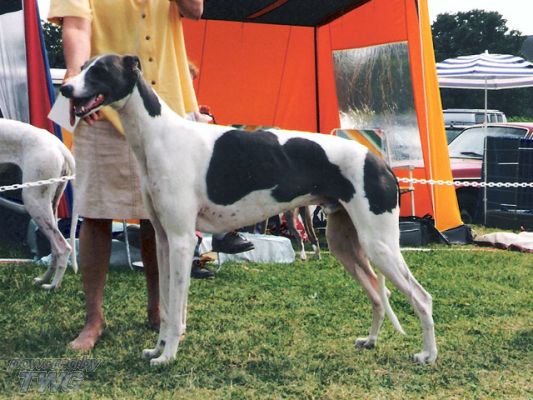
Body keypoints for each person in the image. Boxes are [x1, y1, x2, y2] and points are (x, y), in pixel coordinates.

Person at [48, 0, 205, 351]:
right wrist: (77, 80)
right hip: (100, 105)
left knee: (159, 219)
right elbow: (77, 25)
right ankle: (93, 319)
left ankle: (160, 311)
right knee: (96, 214)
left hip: (166, 108)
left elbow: (195, 9)